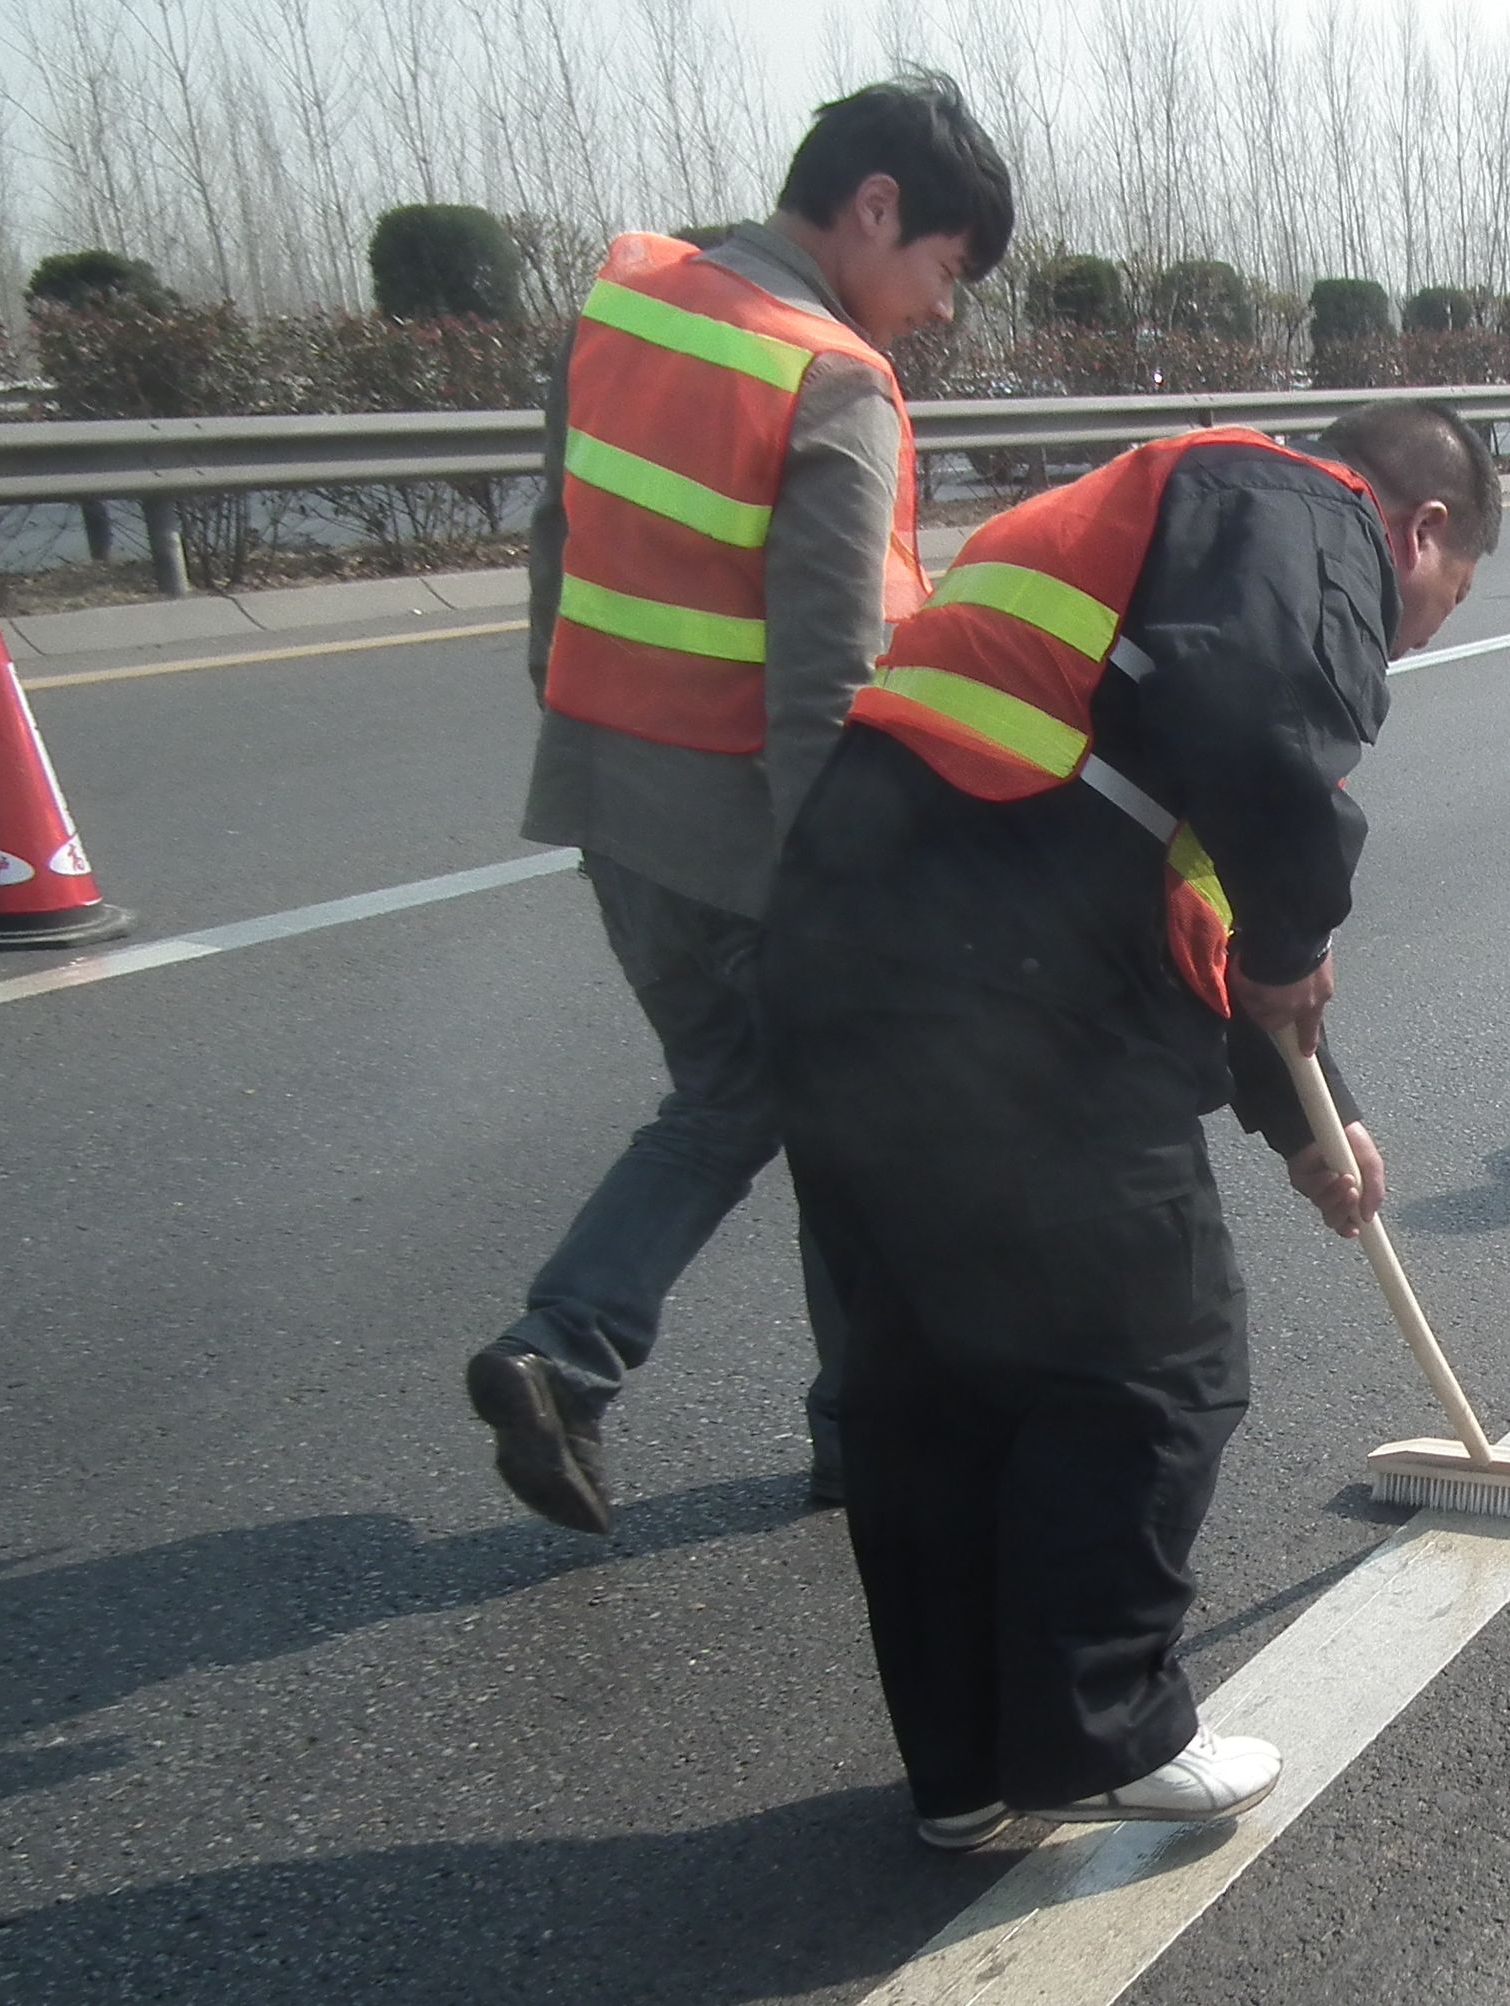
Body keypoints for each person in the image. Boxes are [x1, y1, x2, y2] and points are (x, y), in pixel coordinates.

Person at [758, 402, 1500, 1849]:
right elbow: (1268, 744)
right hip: (1012, 1005)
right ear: (1419, 529)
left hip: (850, 963)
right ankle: (1104, 1729)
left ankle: (969, 1771)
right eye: (1429, 612)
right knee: (1154, 1362)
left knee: (935, 1389)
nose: (1399, 645)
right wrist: (1300, 928)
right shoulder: (1297, 506)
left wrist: (1312, 1117)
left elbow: (1186, 882)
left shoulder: (1152, 550)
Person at [464, 73, 1015, 1538]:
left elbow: (554, 546)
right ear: (876, 205)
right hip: (758, 840)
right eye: (944, 271)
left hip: (604, 795)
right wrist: (858, 892)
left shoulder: (623, 310)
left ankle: (571, 1352)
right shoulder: (826, 378)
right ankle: (838, 1427)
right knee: (850, 1118)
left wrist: (580, 723)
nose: (938, 311)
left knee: (737, 1095)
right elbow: (828, 683)